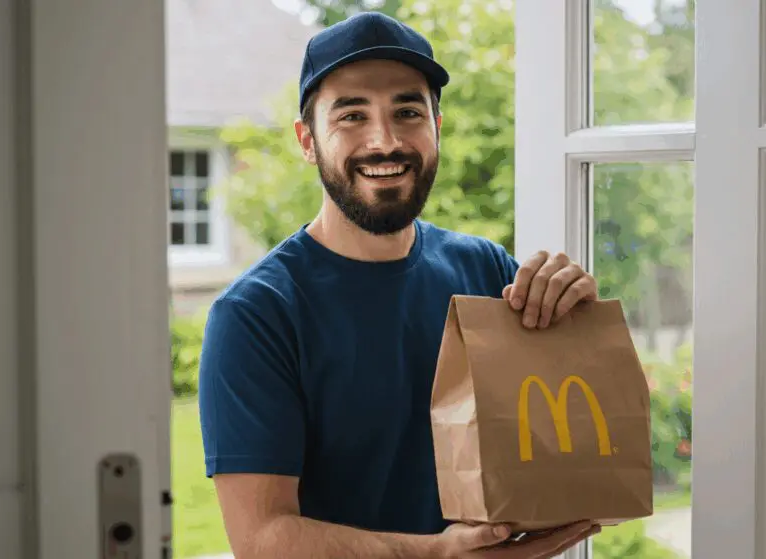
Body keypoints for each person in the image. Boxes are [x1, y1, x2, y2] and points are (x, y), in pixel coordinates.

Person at [198, 11, 601, 559]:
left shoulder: (487, 271)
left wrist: (581, 320)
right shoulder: (257, 314)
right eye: (351, 116)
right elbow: (262, 538)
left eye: (407, 111)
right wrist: (434, 554)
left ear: (437, 125)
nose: (384, 141)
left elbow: (572, 434)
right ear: (307, 140)